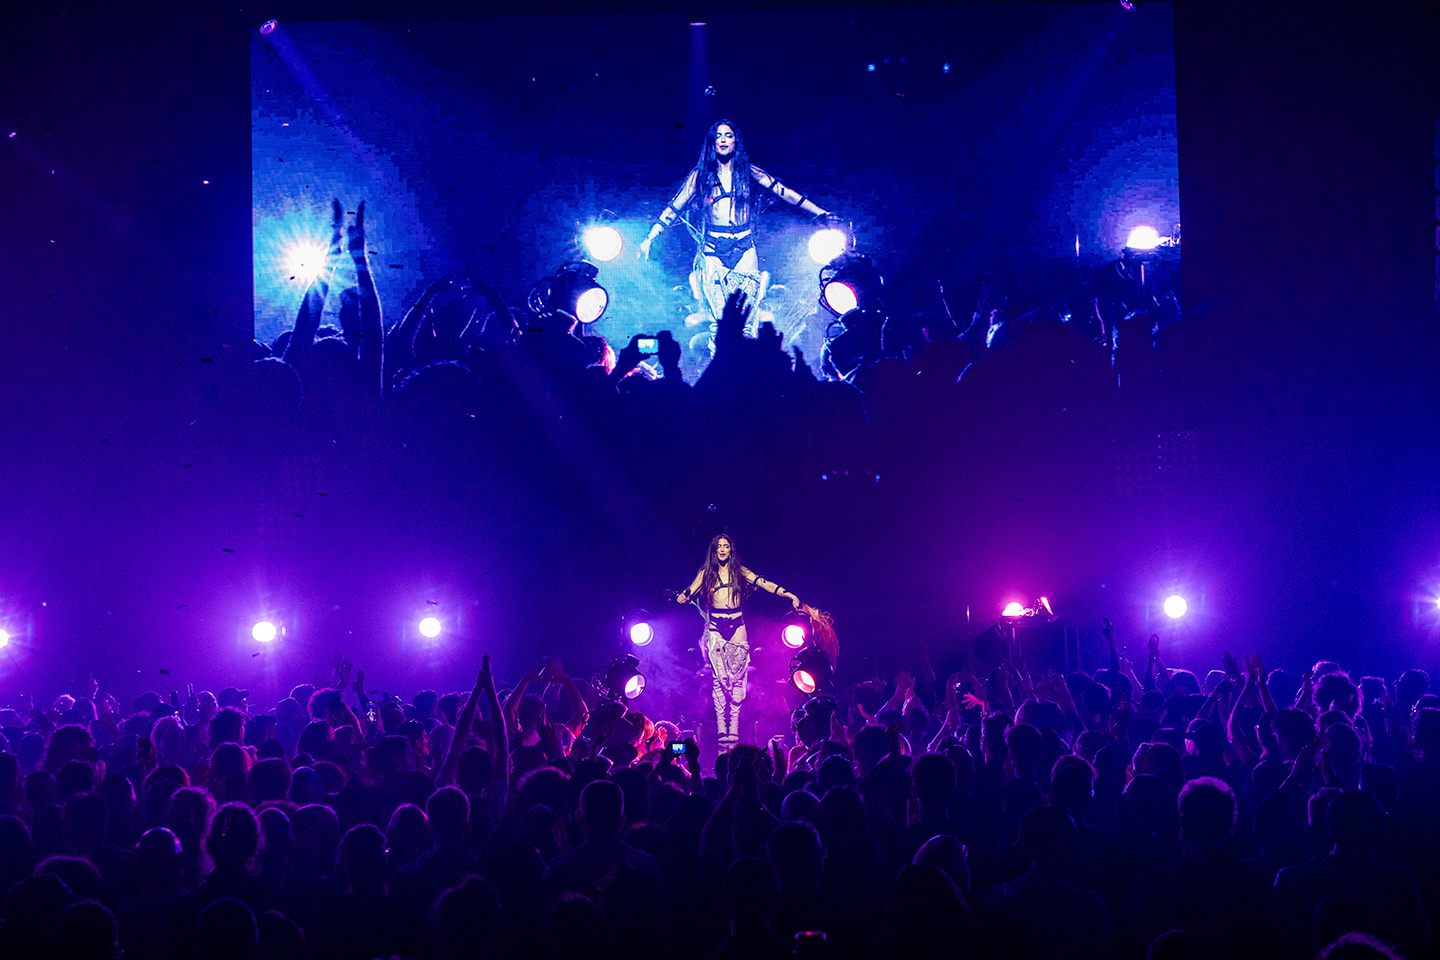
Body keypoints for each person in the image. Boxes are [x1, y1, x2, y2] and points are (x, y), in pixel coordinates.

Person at [639, 119, 834, 325]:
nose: (723, 140)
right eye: (718, 136)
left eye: (728, 136)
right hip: (713, 249)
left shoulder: (749, 172)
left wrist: (820, 213)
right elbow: (674, 207)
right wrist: (650, 237)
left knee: (747, 318)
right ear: (712, 142)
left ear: (735, 141)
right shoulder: (701, 175)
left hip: (743, 245)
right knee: (718, 320)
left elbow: (785, 192)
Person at [677, 533, 803, 752]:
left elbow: (763, 583)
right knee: (719, 680)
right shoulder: (706, 573)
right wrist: (683, 596)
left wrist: (789, 595)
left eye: (726, 546)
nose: (722, 549)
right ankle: (722, 736)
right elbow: (691, 589)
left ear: (731, 549)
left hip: (736, 622)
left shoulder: (740, 572)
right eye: (719, 546)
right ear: (714, 550)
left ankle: (735, 733)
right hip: (715, 624)